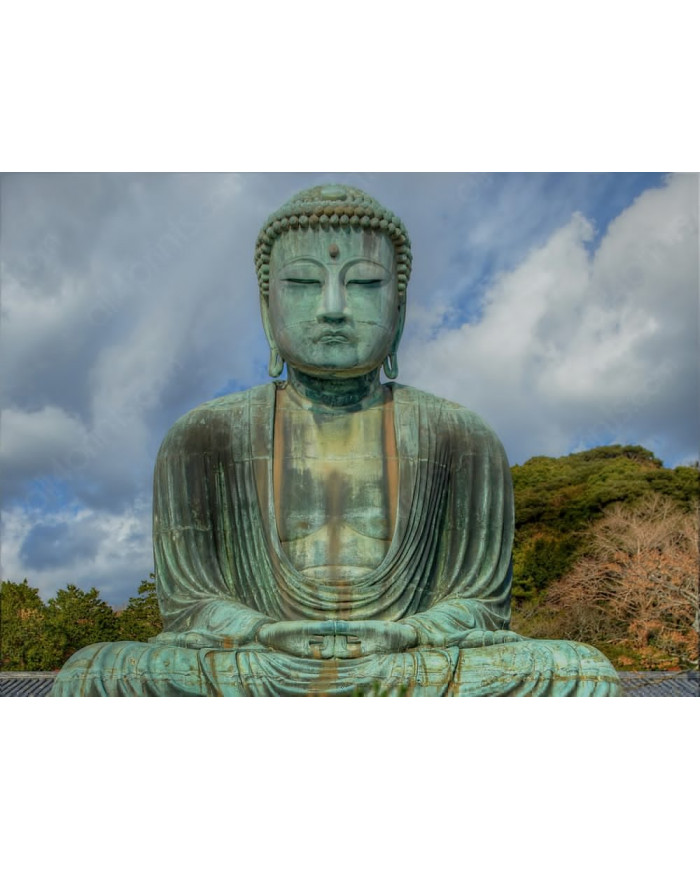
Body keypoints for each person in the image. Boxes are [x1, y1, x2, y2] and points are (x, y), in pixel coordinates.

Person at [51, 184, 620, 696]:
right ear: (265, 306)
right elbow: (190, 605)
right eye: (301, 283)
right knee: (97, 673)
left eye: (365, 285)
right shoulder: (203, 437)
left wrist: (408, 634)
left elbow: (480, 605)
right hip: (262, 659)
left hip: (408, 660)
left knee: (580, 671)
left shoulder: (460, 437)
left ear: (398, 310)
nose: (332, 309)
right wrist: (263, 631)